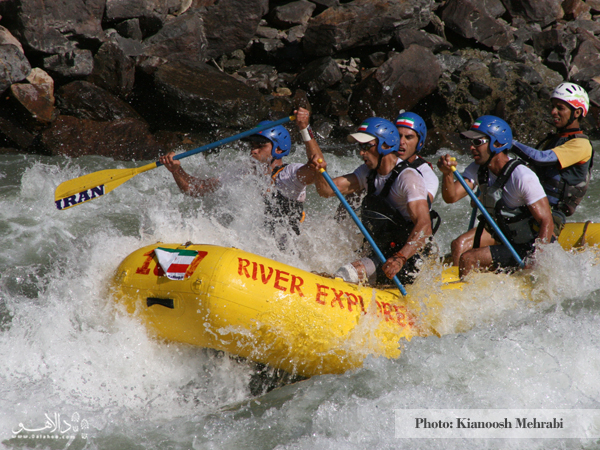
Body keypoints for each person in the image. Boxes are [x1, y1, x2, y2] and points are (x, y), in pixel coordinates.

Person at [159, 108, 318, 247]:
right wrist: (176, 170)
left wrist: (304, 128)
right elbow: (194, 189)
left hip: (288, 254)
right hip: (258, 249)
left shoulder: (289, 174)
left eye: (260, 146)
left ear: (279, 148)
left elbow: (316, 167)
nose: (253, 151)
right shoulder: (243, 173)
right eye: (252, 146)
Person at [308, 117, 434, 285]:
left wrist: (400, 258)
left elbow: (425, 226)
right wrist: (318, 171)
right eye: (361, 146)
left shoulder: (408, 178)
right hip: (381, 251)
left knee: (347, 273)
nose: (361, 152)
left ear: (386, 146)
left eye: (367, 146)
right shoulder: (367, 172)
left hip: (406, 260)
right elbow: (326, 190)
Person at [437, 115, 554, 278]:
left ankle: (466, 294)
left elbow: (546, 221)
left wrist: (536, 260)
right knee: (459, 245)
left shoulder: (522, 177)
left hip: (527, 246)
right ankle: (455, 287)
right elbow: (451, 197)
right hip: (502, 234)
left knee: (468, 258)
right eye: (471, 143)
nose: (471, 148)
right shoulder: (478, 168)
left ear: (498, 144)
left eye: (477, 142)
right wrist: (447, 174)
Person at [511, 82, 593, 235]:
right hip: (531, 204)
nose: (553, 112)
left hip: (552, 213)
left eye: (560, 108)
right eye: (553, 107)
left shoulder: (581, 144)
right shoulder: (555, 139)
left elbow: (540, 158)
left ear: (577, 113)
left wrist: (508, 141)